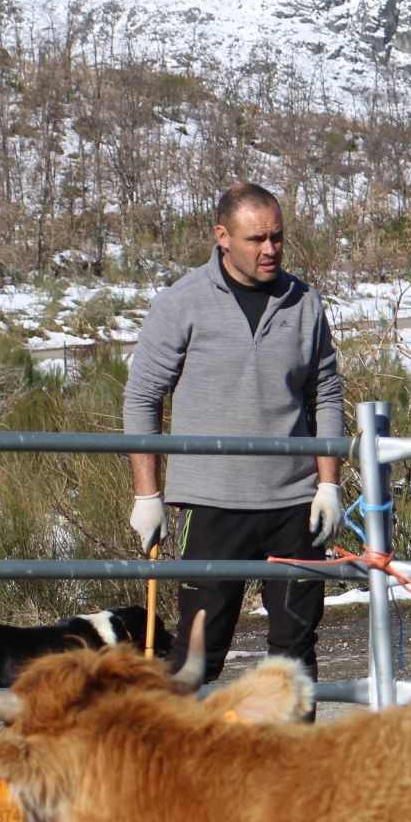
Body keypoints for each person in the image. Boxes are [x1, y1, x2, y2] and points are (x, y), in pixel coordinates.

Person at [123, 182, 344, 704]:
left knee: (294, 653)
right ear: (222, 236)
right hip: (212, 505)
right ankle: (178, 771)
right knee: (199, 655)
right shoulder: (180, 303)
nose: (270, 249)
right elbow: (142, 399)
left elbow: (327, 395)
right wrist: (147, 496)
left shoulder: (305, 302)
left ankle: (287, 773)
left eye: (278, 237)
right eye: (256, 238)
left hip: (295, 505)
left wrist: (328, 485)